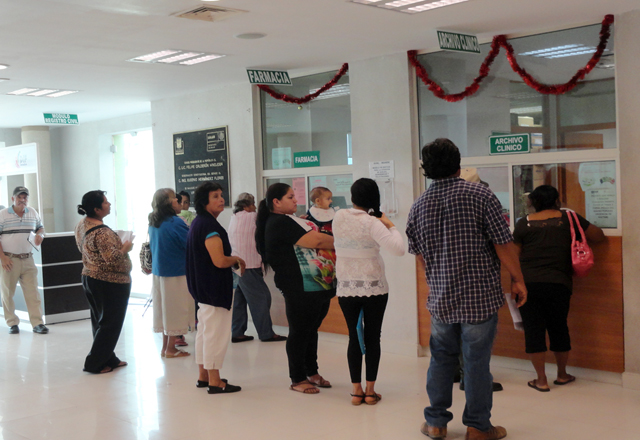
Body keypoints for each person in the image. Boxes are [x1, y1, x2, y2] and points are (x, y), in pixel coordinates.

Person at [406, 138, 527, 440]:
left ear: (426, 169)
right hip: (479, 297)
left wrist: (437, 282)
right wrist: (518, 278)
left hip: (441, 299)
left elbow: (420, 256)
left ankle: (436, 423)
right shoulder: (481, 195)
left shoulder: (418, 205)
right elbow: (502, 243)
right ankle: (478, 427)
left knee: (440, 359)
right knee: (476, 363)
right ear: (458, 165)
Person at [513, 185, 605, 392]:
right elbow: (598, 236)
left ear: (533, 202)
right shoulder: (569, 218)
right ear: (557, 200)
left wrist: (514, 282)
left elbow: (514, 256)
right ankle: (562, 375)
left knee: (533, 330)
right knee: (559, 327)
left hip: (528, 284)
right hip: (559, 283)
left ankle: (541, 380)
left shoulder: (523, 223)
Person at [255, 183, 336, 394]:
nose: (295, 200)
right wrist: (344, 241)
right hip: (298, 286)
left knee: (311, 329)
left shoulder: (289, 220)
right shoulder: (279, 222)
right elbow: (317, 240)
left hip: (313, 285)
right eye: (290, 197)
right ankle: (298, 378)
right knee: (300, 331)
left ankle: (312, 371)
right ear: (276, 202)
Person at [332, 178, 405, 405]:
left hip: (346, 286)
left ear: (352, 196)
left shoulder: (338, 217)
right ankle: (371, 392)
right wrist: (390, 225)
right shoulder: (373, 222)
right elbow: (399, 249)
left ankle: (356, 391)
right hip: (374, 286)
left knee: (354, 337)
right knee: (373, 338)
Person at [186, 181, 245, 394]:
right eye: (215, 196)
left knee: (205, 331)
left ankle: (204, 375)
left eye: (221, 195)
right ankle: (215, 381)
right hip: (213, 288)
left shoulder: (199, 222)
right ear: (204, 202)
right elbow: (219, 260)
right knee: (215, 334)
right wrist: (236, 259)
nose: (221, 199)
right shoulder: (209, 226)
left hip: (203, 288)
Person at [75, 190, 133, 374]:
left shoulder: (82, 224)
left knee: (100, 321)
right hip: (110, 282)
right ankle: (94, 363)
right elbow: (112, 258)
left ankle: (108, 357)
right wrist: (125, 248)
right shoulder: (103, 233)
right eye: (106, 202)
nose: (109, 204)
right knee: (110, 324)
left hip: (90, 277)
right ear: (97, 209)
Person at [228, 192, 286, 343]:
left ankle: (237, 332)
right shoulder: (253, 217)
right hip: (249, 265)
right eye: (253, 204)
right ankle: (266, 333)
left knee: (240, 300)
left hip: (237, 264)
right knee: (262, 298)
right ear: (247, 206)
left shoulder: (234, 217)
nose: (254, 207)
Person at [148, 188, 195, 358]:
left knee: (164, 311)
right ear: (167, 203)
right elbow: (189, 244)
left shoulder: (154, 222)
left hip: (159, 272)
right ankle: (170, 349)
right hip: (176, 272)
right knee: (175, 310)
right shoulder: (175, 222)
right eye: (175, 199)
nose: (178, 201)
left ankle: (165, 347)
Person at [0, 186, 48, 334]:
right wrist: (3, 258)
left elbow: (40, 228)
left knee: (33, 293)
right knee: (8, 293)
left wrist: (40, 235)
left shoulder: (32, 212)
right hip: (9, 259)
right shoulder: (3, 215)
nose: (22, 200)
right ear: (13, 199)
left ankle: (37, 323)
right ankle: (12, 323)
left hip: (28, 258)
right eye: (19, 197)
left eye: (25, 197)